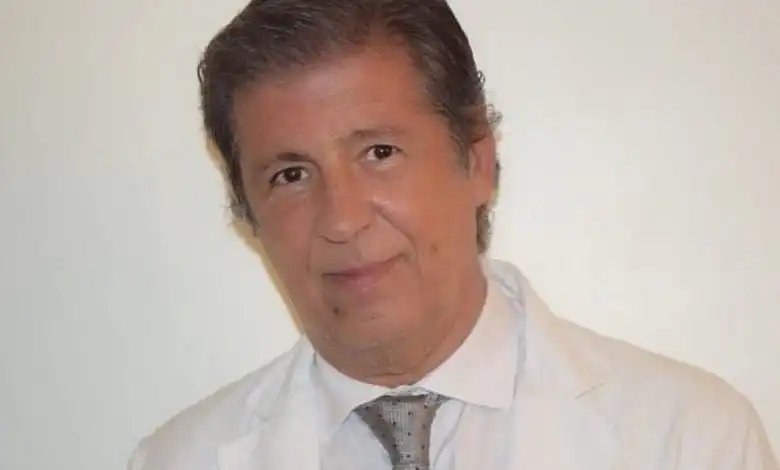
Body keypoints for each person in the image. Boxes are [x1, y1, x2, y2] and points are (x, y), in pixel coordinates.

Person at [127, 1, 778, 469]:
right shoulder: (178, 460)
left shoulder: (690, 439)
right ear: (248, 214)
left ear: (479, 163)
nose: (342, 219)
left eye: (379, 153)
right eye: (290, 175)